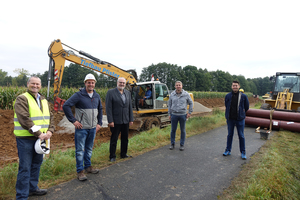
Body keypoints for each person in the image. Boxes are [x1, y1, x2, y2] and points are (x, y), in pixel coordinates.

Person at [14, 76, 55, 199]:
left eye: (37, 84)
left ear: (40, 85)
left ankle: (32, 188)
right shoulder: (21, 99)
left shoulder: (43, 100)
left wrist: (50, 131)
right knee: (25, 168)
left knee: (36, 164)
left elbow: (51, 117)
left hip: (40, 139)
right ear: (28, 84)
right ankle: (21, 196)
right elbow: (24, 118)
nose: (35, 86)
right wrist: (39, 133)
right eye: (33, 83)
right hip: (26, 139)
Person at [63, 73, 103, 181]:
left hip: (93, 128)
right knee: (80, 150)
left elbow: (100, 109)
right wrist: (74, 121)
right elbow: (66, 105)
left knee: (89, 148)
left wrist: (99, 123)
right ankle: (80, 171)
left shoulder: (97, 95)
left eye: (92, 82)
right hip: (82, 128)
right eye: (88, 82)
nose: (90, 84)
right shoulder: (79, 95)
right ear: (85, 83)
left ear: (94, 84)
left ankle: (88, 167)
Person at [106, 77, 134, 162]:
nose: (122, 84)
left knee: (125, 138)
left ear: (125, 84)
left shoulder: (128, 93)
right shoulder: (111, 92)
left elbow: (130, 107)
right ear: (117, 83)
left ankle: (123, 154)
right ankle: (112, 156)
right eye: (120, 82)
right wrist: (110, 120)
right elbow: (108, 107)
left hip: (125, 120)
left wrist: (131, 119)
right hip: (115, 121)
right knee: (114, 139)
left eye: (123, 83)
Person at [223, 80, 249, 159]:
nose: (235, 87)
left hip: (240, 119)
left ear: (239, 86)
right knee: (230, 135)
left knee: (241, 135)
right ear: (232, 86)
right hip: (230, 119)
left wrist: (241, 114)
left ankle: (243, 152)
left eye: (236, 85)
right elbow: (226, 105)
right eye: (233, 85)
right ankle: (228, 150)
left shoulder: (243, 96)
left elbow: (246, 107)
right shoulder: (228, 96)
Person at [168, 81, 193, 151]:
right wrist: (169, 114)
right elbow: (169, 104)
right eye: (177, 85)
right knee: (173, 130)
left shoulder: (186, 94)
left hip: (183, 115)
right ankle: (172, 144)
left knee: (183, 130)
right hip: (174, 115)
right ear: (175, 86)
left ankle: (182, 144)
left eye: (179, 85)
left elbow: (191, 103)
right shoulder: (172, 94)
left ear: (181, 86)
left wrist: (189, 112)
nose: (178, 86)